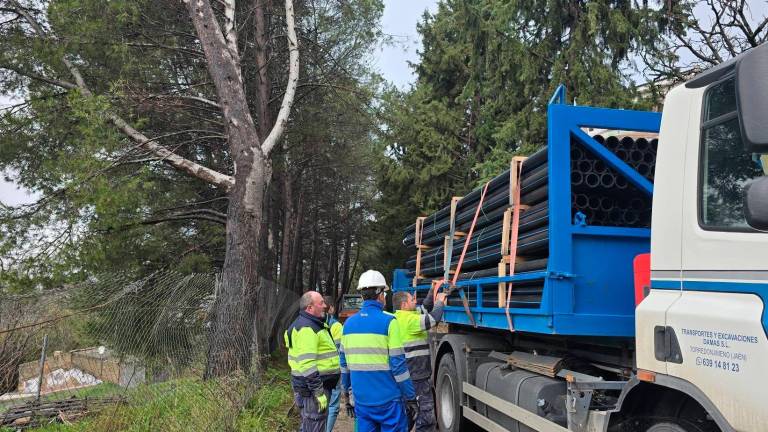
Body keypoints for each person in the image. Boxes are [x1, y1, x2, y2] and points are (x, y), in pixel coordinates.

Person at [339, 270, 417, 432]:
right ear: (381, 295)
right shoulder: (389, 322)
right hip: (388, 402)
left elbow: (344, 366)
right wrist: (410, 397)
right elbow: (399, 366)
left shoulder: (348, 325)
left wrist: (347, 396)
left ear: (362, 296)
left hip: (362, 401)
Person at [392, 287, 447, 432]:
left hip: (406, 375)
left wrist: (431, 291)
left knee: (408, 414)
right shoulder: (410, 321)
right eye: (412, 300)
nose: (415, 302)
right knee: (426, 417)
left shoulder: (398, 317)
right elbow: (433, 318)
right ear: (404, 305)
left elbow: (424, 308)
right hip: (417, 376)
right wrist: (440, 301)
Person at [285, 291, 340, 432]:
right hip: (312, 391)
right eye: (321, 303)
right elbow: (307, 365)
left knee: (309, 425)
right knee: (314, 426)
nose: (325, 306)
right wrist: (318, 392)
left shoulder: (310, 324)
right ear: (310, 308)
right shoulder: (307, 328)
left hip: (310, 388)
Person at [324, 296, 343, 432]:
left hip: (317, 370)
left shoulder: (312, 323)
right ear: (331, 308)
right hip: (333, 371)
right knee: (333, 405)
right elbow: (340, 350)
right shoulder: (336, 325)